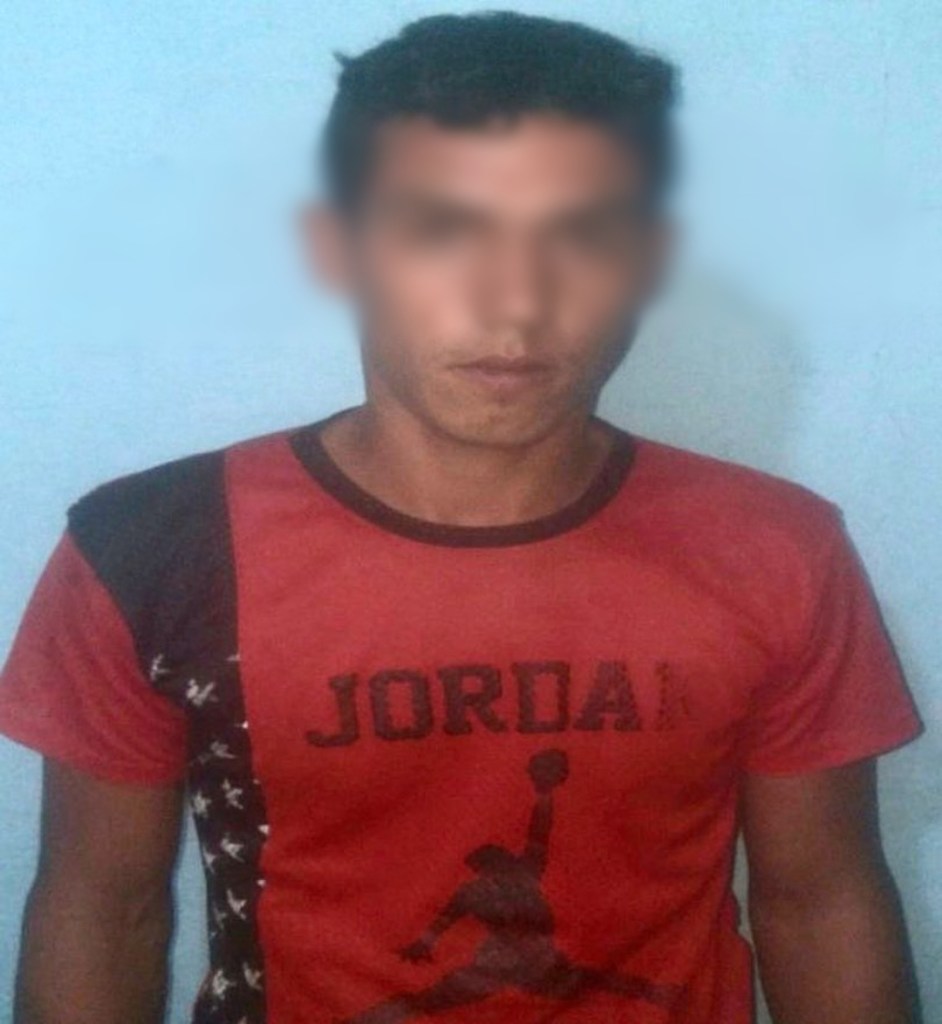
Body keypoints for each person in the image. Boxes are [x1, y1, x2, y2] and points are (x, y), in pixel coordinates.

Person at [0, 11, 924, 1024]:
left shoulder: (777, 550)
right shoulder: (153, 548)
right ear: (339, 248)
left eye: (582, 234)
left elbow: (820, 901)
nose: (515, 302)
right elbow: (106, 909)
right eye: (442, 231)